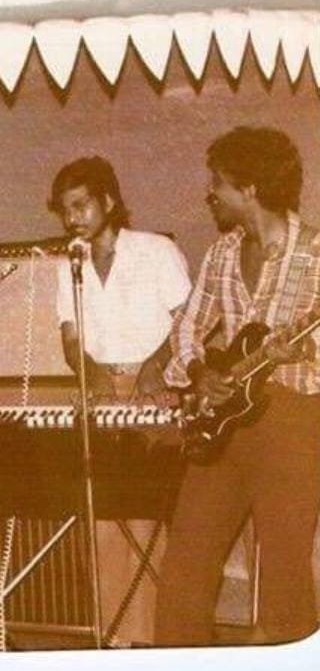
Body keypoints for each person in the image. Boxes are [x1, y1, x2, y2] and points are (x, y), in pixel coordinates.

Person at [157, 126, 320, 645]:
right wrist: (200, 372)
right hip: (222, 424)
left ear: (250, 189)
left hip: (292, 421)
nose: (211, 194)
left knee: (284, 572)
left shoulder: (315, 253)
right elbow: (187, 327)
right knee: (185, 563)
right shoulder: (222, 253)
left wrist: (306, 351)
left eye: (218, 184)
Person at [49, 156, 192, 646]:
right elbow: (71, 337)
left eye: (81, 205)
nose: (73, 218)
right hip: (102, 392)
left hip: (156, 389)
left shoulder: (157, 250)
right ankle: (112, 641)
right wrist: (89, 371)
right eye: (65, 209)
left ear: (108, 201)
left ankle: (153, 640)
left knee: (145, 519)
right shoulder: (69, 265)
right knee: (103, 521)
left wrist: (155, 365)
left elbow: (189, 321)